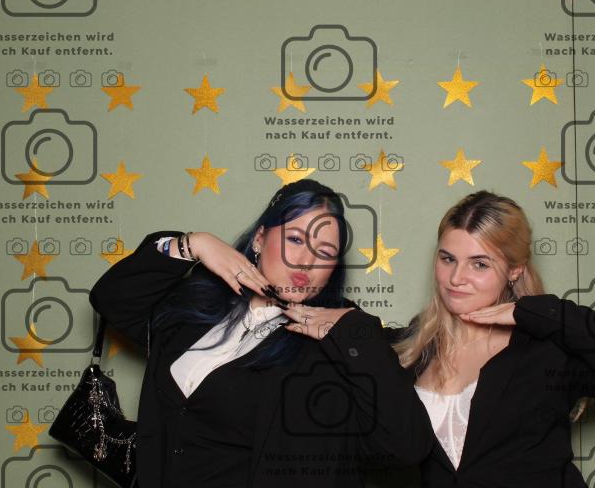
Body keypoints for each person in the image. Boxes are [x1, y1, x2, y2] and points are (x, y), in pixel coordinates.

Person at [88, 178, 432, 488]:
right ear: (259, 238)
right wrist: (193, 244)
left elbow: (405, 446)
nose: (306, 261)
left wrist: (354, 330)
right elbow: (112, 300)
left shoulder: (333, 345)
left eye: (325, 253)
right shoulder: (197, 308)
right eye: (295, 239)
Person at [390, 190, 595, 487]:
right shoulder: (413, 347)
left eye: (479, 264)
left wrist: (535, 312)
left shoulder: (546, 348)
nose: (456, 278)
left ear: (514, 270)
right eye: (448, 259)